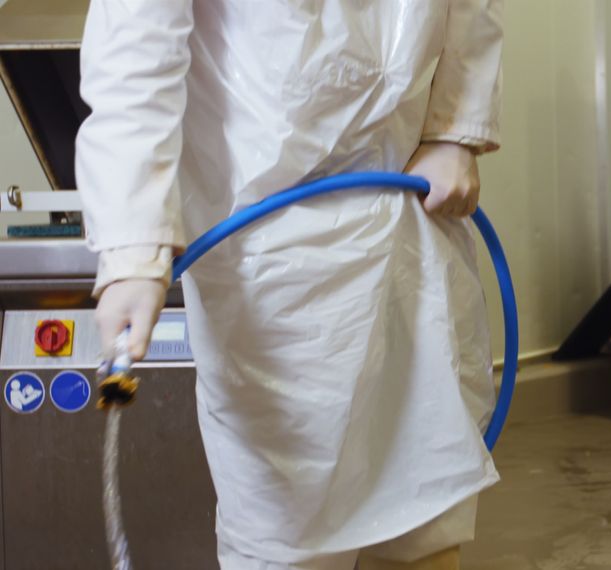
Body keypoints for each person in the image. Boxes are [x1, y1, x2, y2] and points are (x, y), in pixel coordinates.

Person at [75, 1, 504, 569]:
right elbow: (136, 53)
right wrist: (132, 248)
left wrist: (454, 130)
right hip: (265, 251)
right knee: (285, 533)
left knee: (421, 516)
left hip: (407, 206)